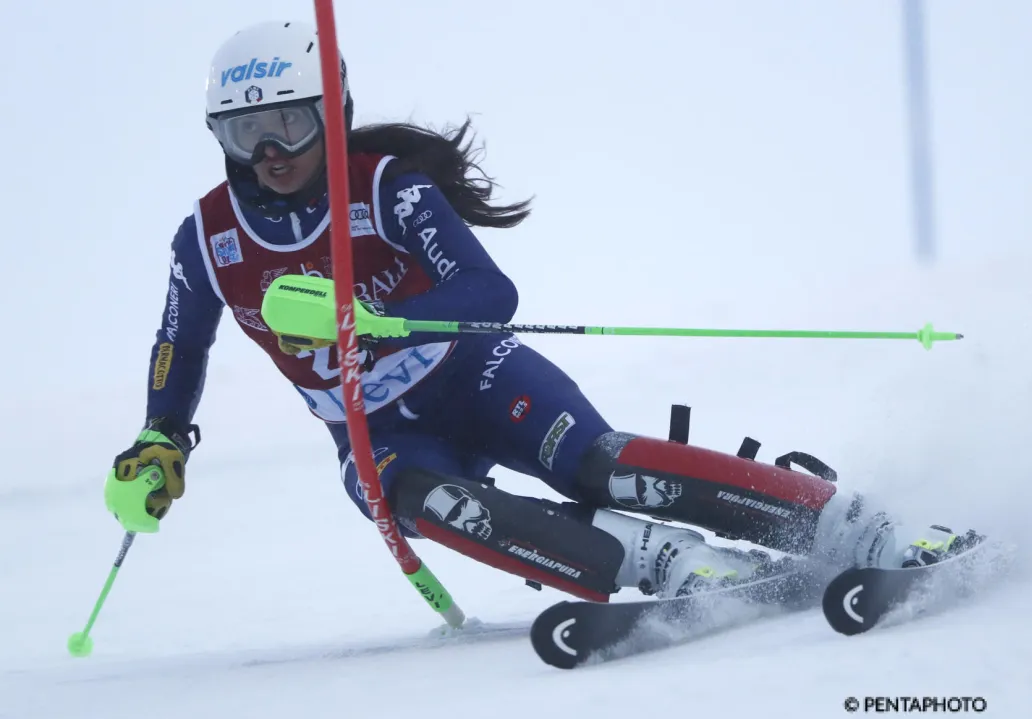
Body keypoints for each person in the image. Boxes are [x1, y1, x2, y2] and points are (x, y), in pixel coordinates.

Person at [106, 20, 980, 604]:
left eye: (291, 125)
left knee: (600, 466)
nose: (268, 154)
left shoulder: (385, 188)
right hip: (377, 435)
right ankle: (672, 565)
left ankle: (860, 524)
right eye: (241, 133)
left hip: (478, 376)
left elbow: (490, 294)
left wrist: (377, 321)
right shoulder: (208, 237)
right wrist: (159, 440)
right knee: (440, 504)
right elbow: (180, 343)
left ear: (330, 114)